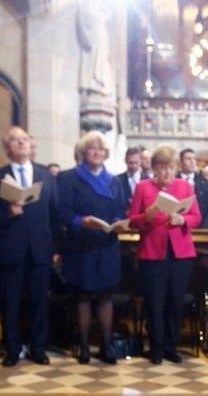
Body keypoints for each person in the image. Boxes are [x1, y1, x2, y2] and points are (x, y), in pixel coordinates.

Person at [0, 126, 58, 367]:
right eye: (14, 140)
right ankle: (12, 348)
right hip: (9, 249)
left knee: (39, 302)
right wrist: (8, 212)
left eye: (24, 139)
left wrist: (56, 248)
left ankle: (38, 348)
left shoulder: (46, 176)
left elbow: (54, 214)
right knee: (10, 302)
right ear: (7, 148)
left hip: (40, 249)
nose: (21, 143)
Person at [56, 131, 128, 364]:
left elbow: (120, 208)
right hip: (82, 244)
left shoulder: (114, 181)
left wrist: (119, 222)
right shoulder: (68, 178)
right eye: (92, 149)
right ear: (83, 152)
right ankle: (85, 347)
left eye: (101, 149)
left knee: (106, 296)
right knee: (83, 296)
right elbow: (63, 211)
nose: (97, 153)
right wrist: (81, 222)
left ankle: (106, 347)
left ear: (106, 154)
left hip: (106, 244)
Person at [128, 145, 202, 364]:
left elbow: (197, 217)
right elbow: (132, 221)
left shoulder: (185, 186)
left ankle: (172, 346)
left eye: (170, 167)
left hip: (181, 254)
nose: (167, 172)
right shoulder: (143, 188)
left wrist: (183, 220)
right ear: (154, 169)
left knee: (175, 301)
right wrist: (147, 216)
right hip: (152, 253)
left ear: (176, 168)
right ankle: (156, 348)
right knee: (155, 302)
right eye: (162, 167)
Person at [178, 148, 208, 228]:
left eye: (194, 159)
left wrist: (204, 228)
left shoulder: (204, 181)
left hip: (202, 226)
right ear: (181, 163)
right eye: (188, 159)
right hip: (178, 225)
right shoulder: (174, 180)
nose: (192, 162)